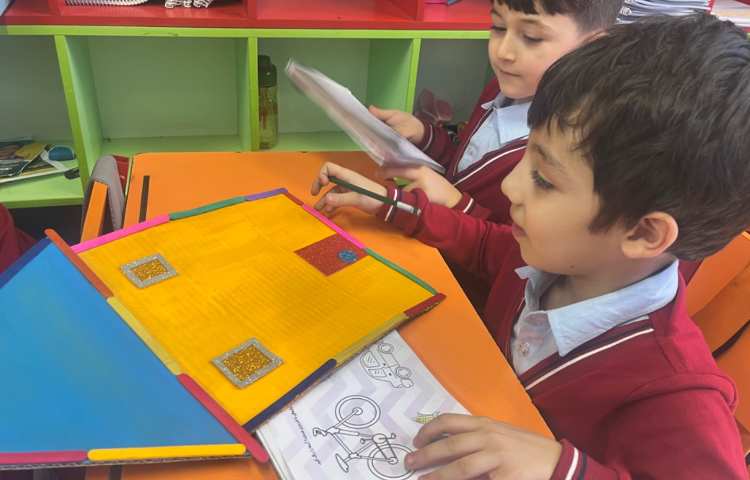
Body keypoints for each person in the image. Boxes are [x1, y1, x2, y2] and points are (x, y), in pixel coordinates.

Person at [311, 14, 750, 478]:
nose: (511, 187)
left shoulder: (677, 399)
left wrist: (565, 470)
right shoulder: (554, 259)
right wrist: (394, 205)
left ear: (643, 233)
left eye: (544, 179)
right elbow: (485, 244)